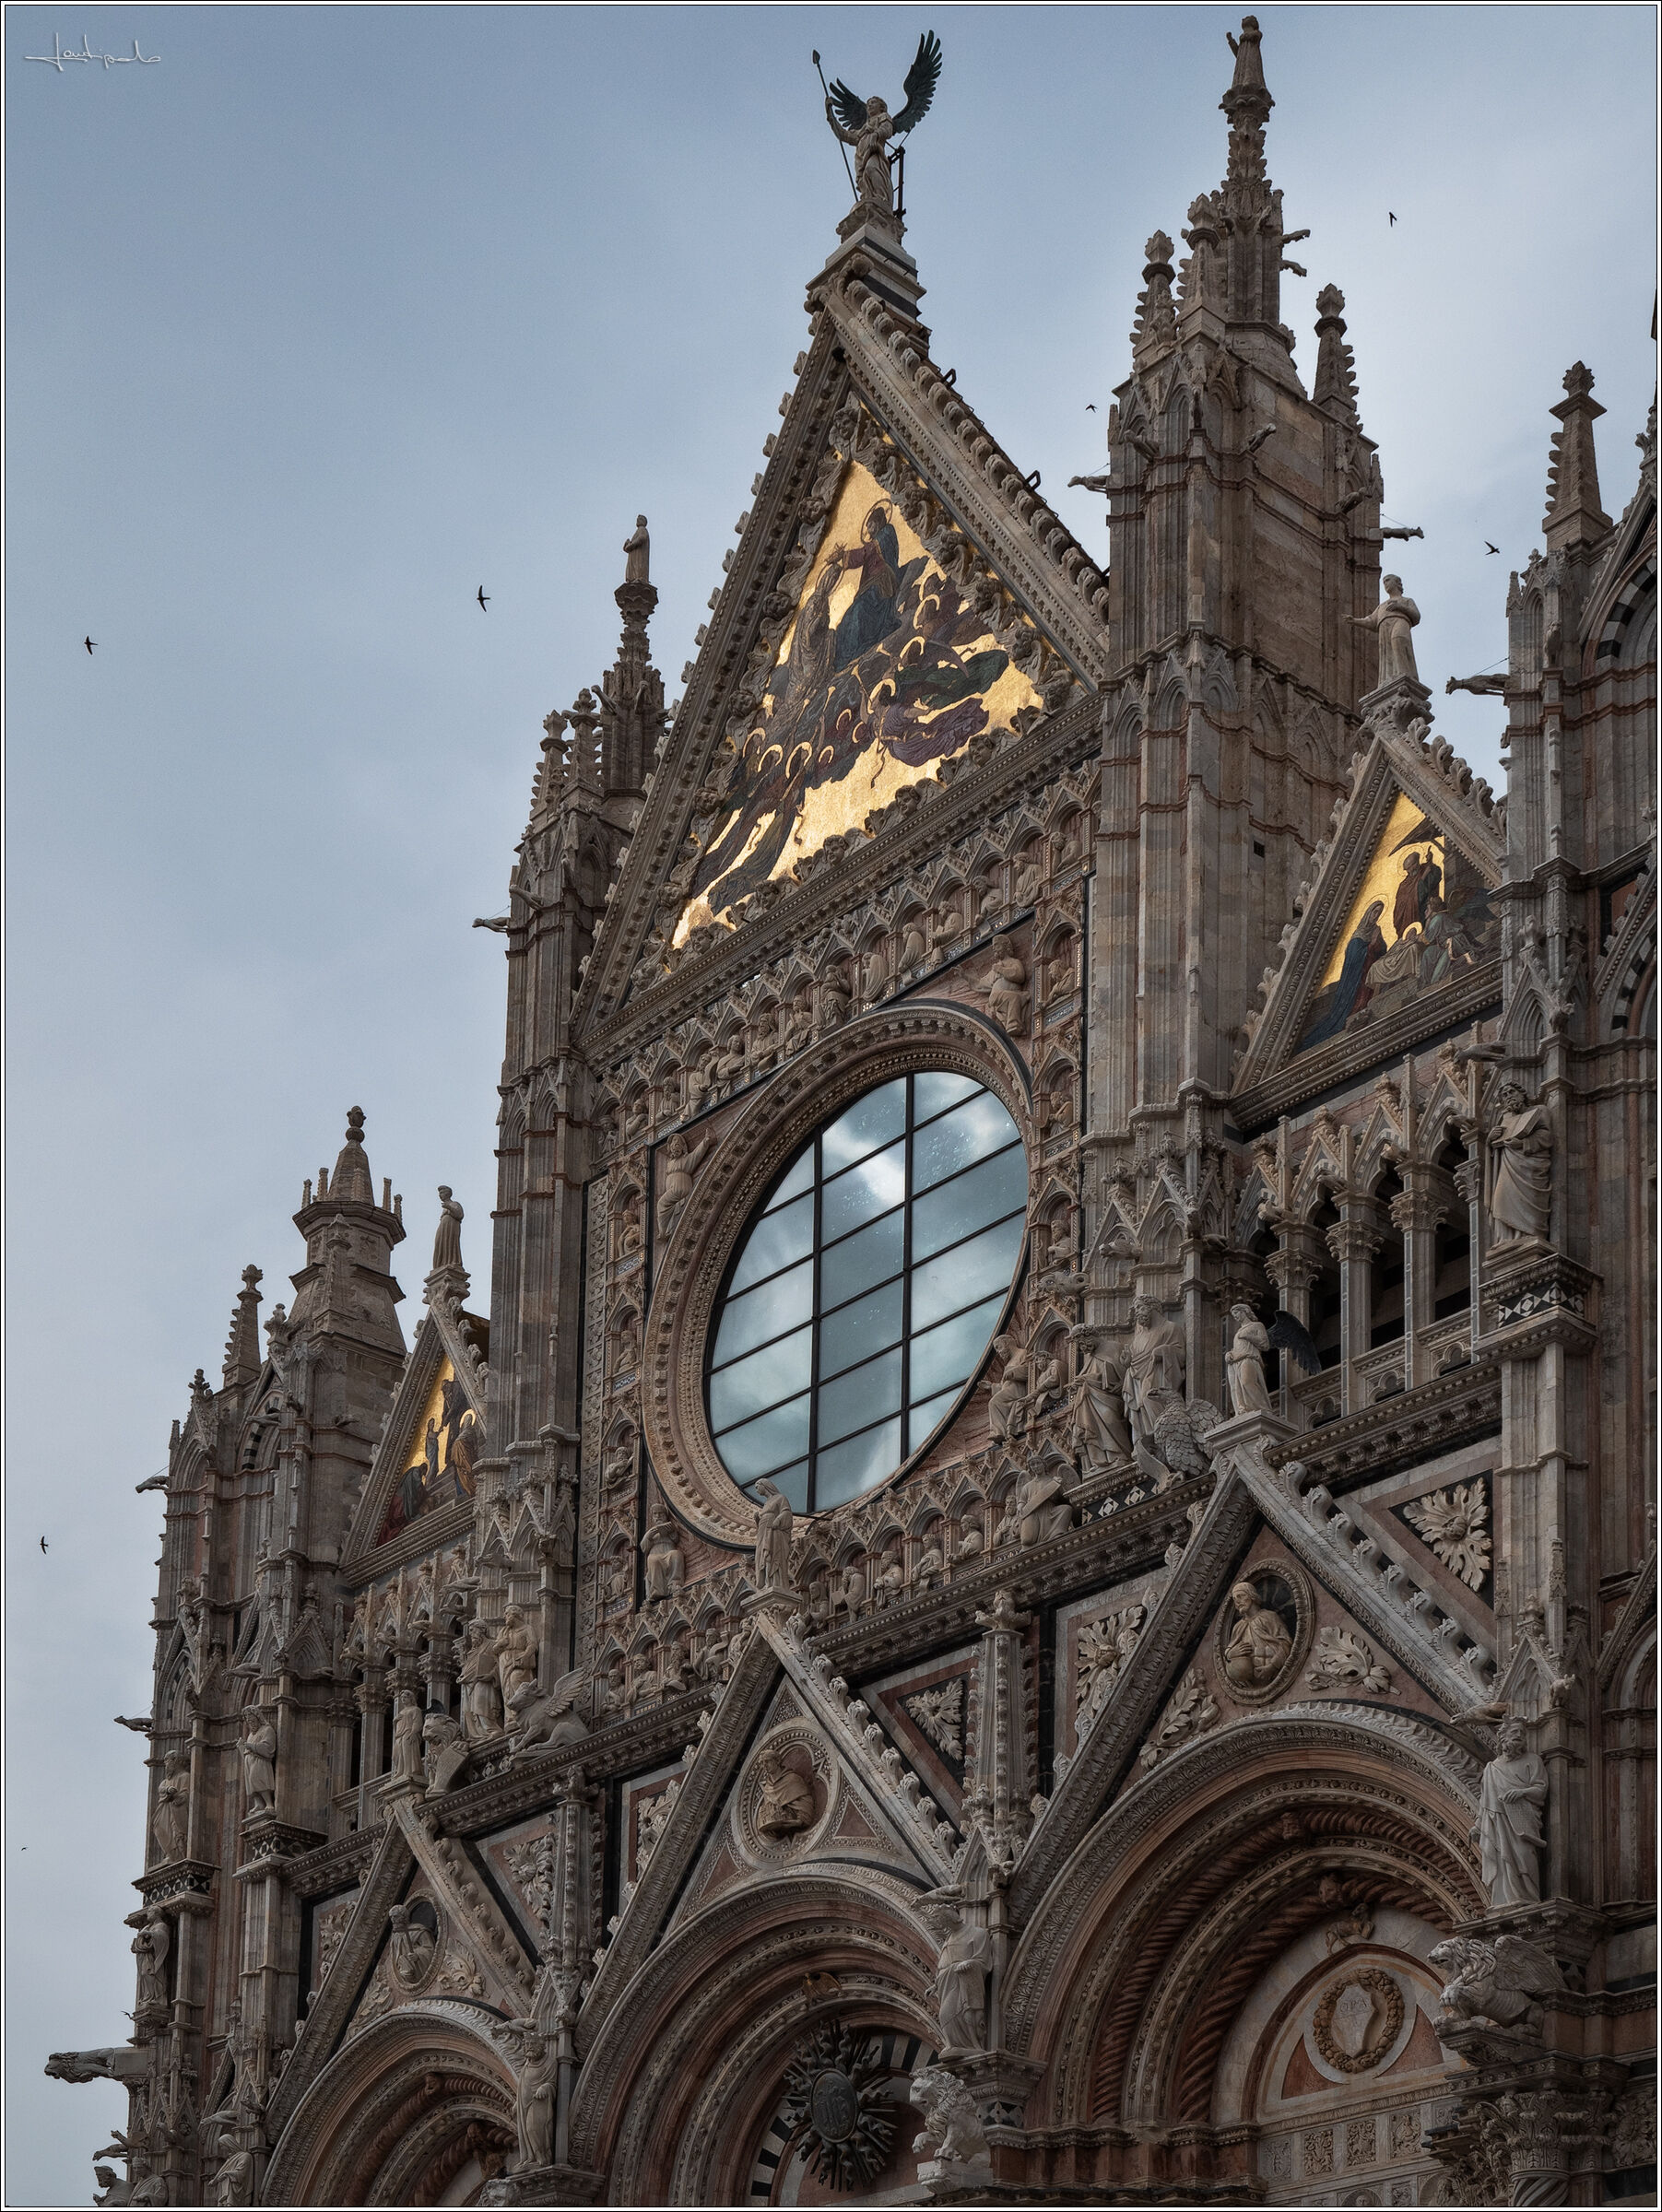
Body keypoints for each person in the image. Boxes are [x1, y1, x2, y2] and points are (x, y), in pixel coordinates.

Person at [1476, 1718, 1548, 1906]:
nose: (1519, 1736)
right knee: (1501, 1859)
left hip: (1522, 1821)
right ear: (1503, 1737)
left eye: (1522, 1733)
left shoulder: (1533, 1760)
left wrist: (1521, 1792)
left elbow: (1540, 1790)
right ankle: (1505, 1901)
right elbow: (1484, 1802)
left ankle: (1527, 1897)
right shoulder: (1492, 1768)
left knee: (1525, 1855)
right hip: (1496, 1822)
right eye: (1515, 1732)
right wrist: (1478, 1826)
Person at [1488, 1081, 1552, 1244]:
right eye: (1505, 1095)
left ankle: (1529, 1236)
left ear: (1523, 1094)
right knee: (1501, 1199)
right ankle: (1506, 1239)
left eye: (1512, 1092)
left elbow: (1547, 1137)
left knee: (1530, 1202)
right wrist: (1490, 1140)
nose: (1509, 1097)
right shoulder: (1505, 1120)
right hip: (1507, 1165)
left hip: (1530, 1166)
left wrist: (1523, 1143)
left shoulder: (1540, 1110)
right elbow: (1495, 1149)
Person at [1221, 1579, 1292, 1689]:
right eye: (1235, 1599)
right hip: (1251, 1681)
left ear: (1252, 1596)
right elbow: (1228, 1651)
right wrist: (1230, 1654)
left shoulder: (1269, 1617)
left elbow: (1285, 1643)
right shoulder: (1238, 1627)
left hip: (1275, 1673)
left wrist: (1272, 1666)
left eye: (1241, 1596)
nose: (1238, 1602)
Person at [1225, 1305, 1275, 1417]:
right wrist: (1230, 1354)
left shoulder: (1257, 1325)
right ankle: (1244, 1410)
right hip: (1237, 1361)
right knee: (1238, 1389)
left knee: (1247, 1382)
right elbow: (1239, 1348)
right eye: (1233, 1315)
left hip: (1249, 1358)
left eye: (1236, 1313)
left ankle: (1263, 1408)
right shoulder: (1238, 1331)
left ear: (1245, 1311)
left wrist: (1248, 1337)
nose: (1235, 1317)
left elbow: (1265, 1345)